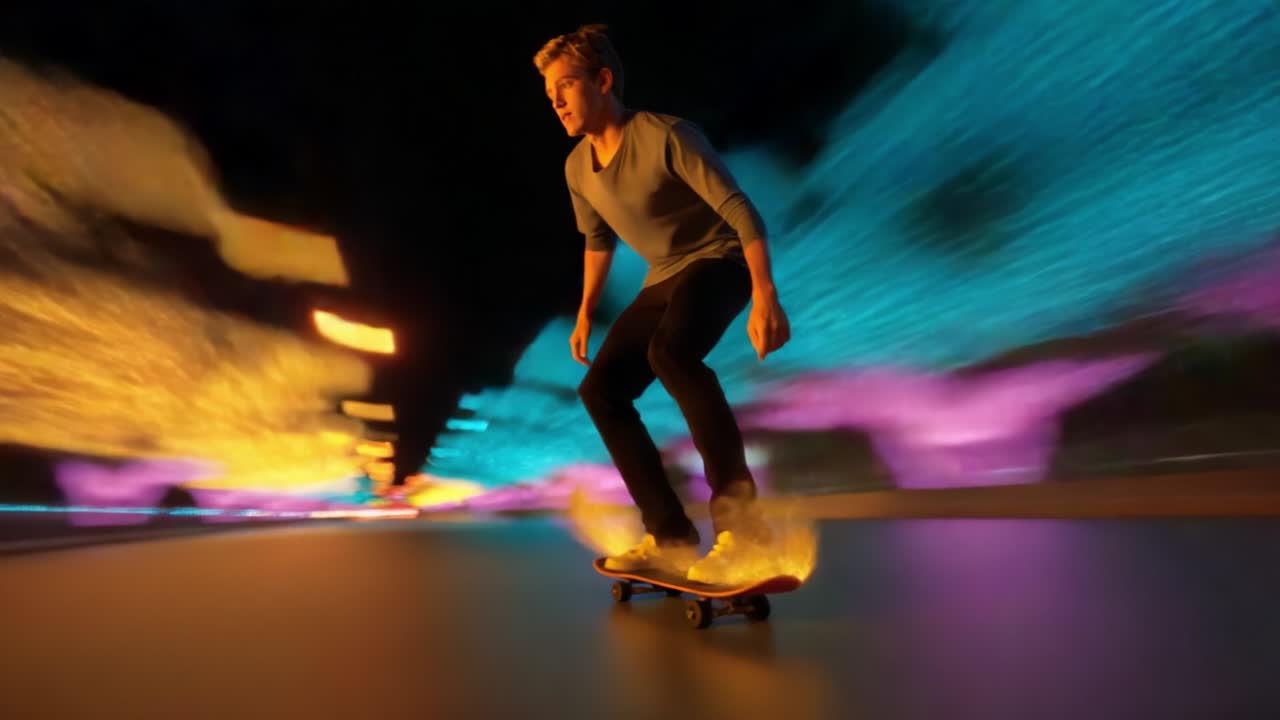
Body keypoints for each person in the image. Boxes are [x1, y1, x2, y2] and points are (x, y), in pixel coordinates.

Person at [533, 25, 791, 581]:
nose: (555, 101)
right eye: (549, 91)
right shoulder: (577, 168)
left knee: (672, 356)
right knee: (600, 390)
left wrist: (765, 293)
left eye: (567, 85)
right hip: (665, 276)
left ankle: (746, 533)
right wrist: (584, 313)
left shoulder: (668, 136)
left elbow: (742, 209)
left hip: (720, 261)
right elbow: (597, 240)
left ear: (603, 81)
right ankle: (670, 534)